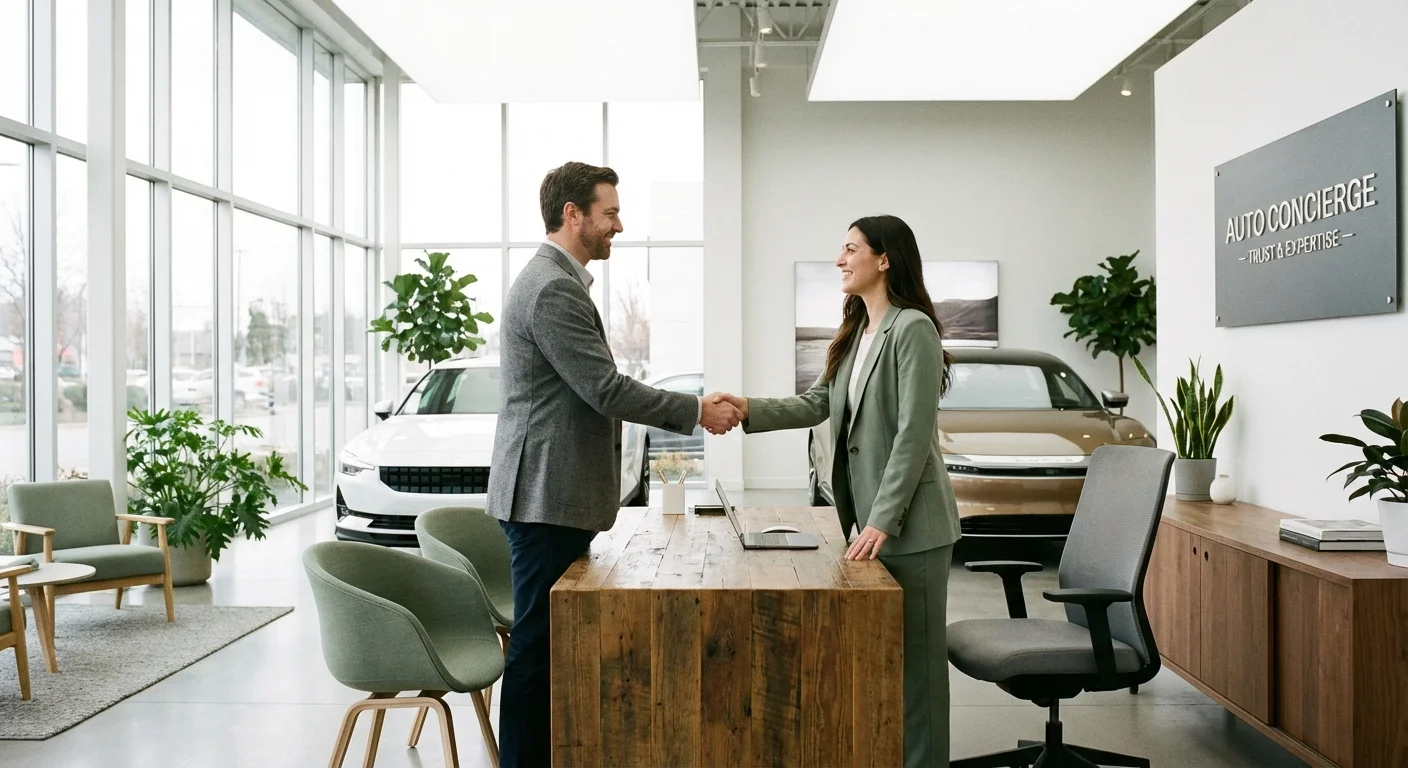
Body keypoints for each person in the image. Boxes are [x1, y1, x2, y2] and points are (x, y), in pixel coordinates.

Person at [486, 161, 741, 768]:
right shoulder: (551, 288)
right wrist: (696, 410)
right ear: (572, 214)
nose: (618, 226)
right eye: (610, 213)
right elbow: (603, 388)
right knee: (536, 648)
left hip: (554, 492)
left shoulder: (560, 282)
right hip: (545, 496)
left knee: (548, 642)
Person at [714, 214, 962, 768]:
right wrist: (746, 408)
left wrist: (882, 519)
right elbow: (817, 404)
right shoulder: (858, 333)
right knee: (885, 659)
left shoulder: (912, 328)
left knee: (917, 669)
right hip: (872, 524)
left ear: (884, 259)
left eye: (851, 249)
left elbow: (913, 437)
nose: (839, 259)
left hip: (911, 526)